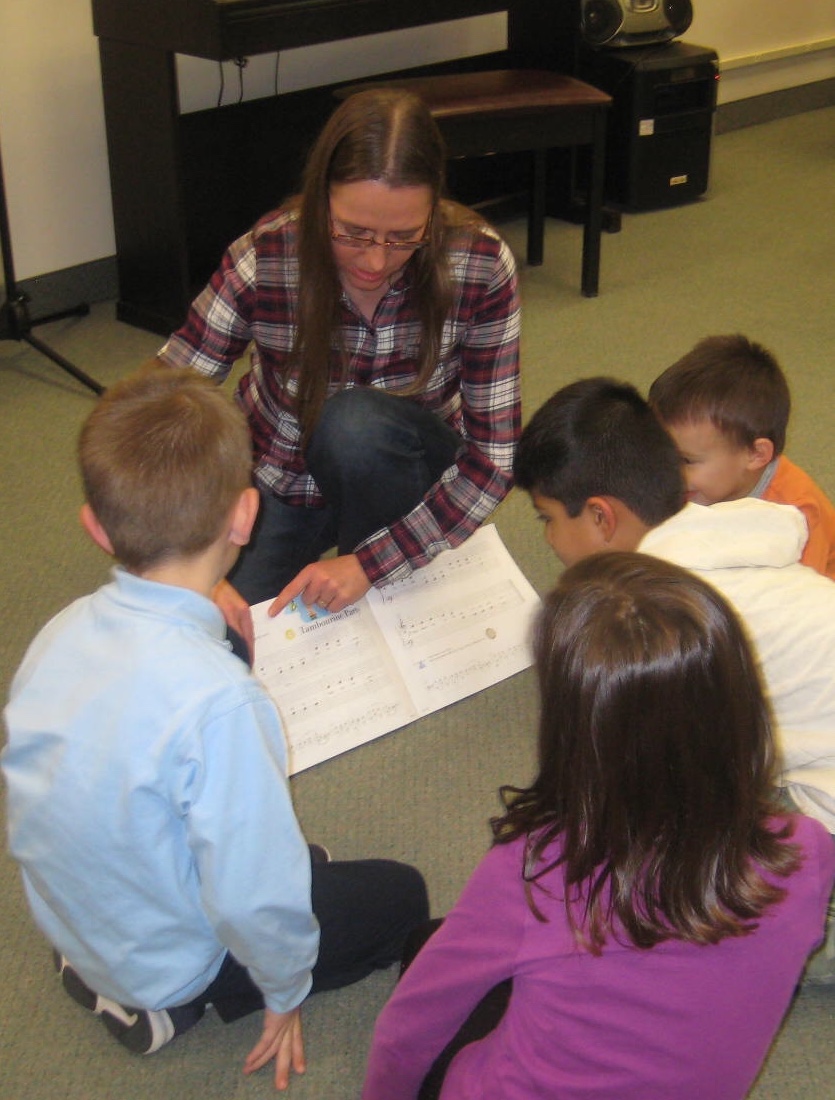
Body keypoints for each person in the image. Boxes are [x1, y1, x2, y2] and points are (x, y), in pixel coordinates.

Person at [2, 366, 428, 1089]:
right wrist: (284, 991)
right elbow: (253, 895)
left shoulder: (57, 633)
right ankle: (178, 1001)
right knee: (400, 896)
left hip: (77, 916)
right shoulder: (222, 704)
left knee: (231, 835)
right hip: (162, 959)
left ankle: (103, 957)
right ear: (243, 517)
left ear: (95, 527)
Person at [362, 553, 835, 1100]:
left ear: (573, 728)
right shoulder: (809, 850)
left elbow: (408, 1029)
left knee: (429, 946)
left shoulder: (536, 871)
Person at [156, 87, 521, 651]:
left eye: (404, 238)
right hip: (280, 474)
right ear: (320, 196)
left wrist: (369, 563)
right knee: (224, 642)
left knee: (354, 426)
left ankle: (386, 564)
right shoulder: (267, 254)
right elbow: (166, 405)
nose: (376, 261)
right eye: (352, 232)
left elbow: (493, 460)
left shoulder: (479, 262)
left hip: (403, 467)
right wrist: (192, 564)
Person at [513, 376, 835, 980]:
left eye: (547, 519)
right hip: (807, 745)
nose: (551, 540)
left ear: (603, 517)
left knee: (695, 918)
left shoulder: (661, 617)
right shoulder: (723, 528)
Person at [648, 333, 835, 579]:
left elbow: (804, 603)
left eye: (686, 460)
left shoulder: (796, 515)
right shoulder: (702, 481)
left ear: (755, 455)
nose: (669, 470)